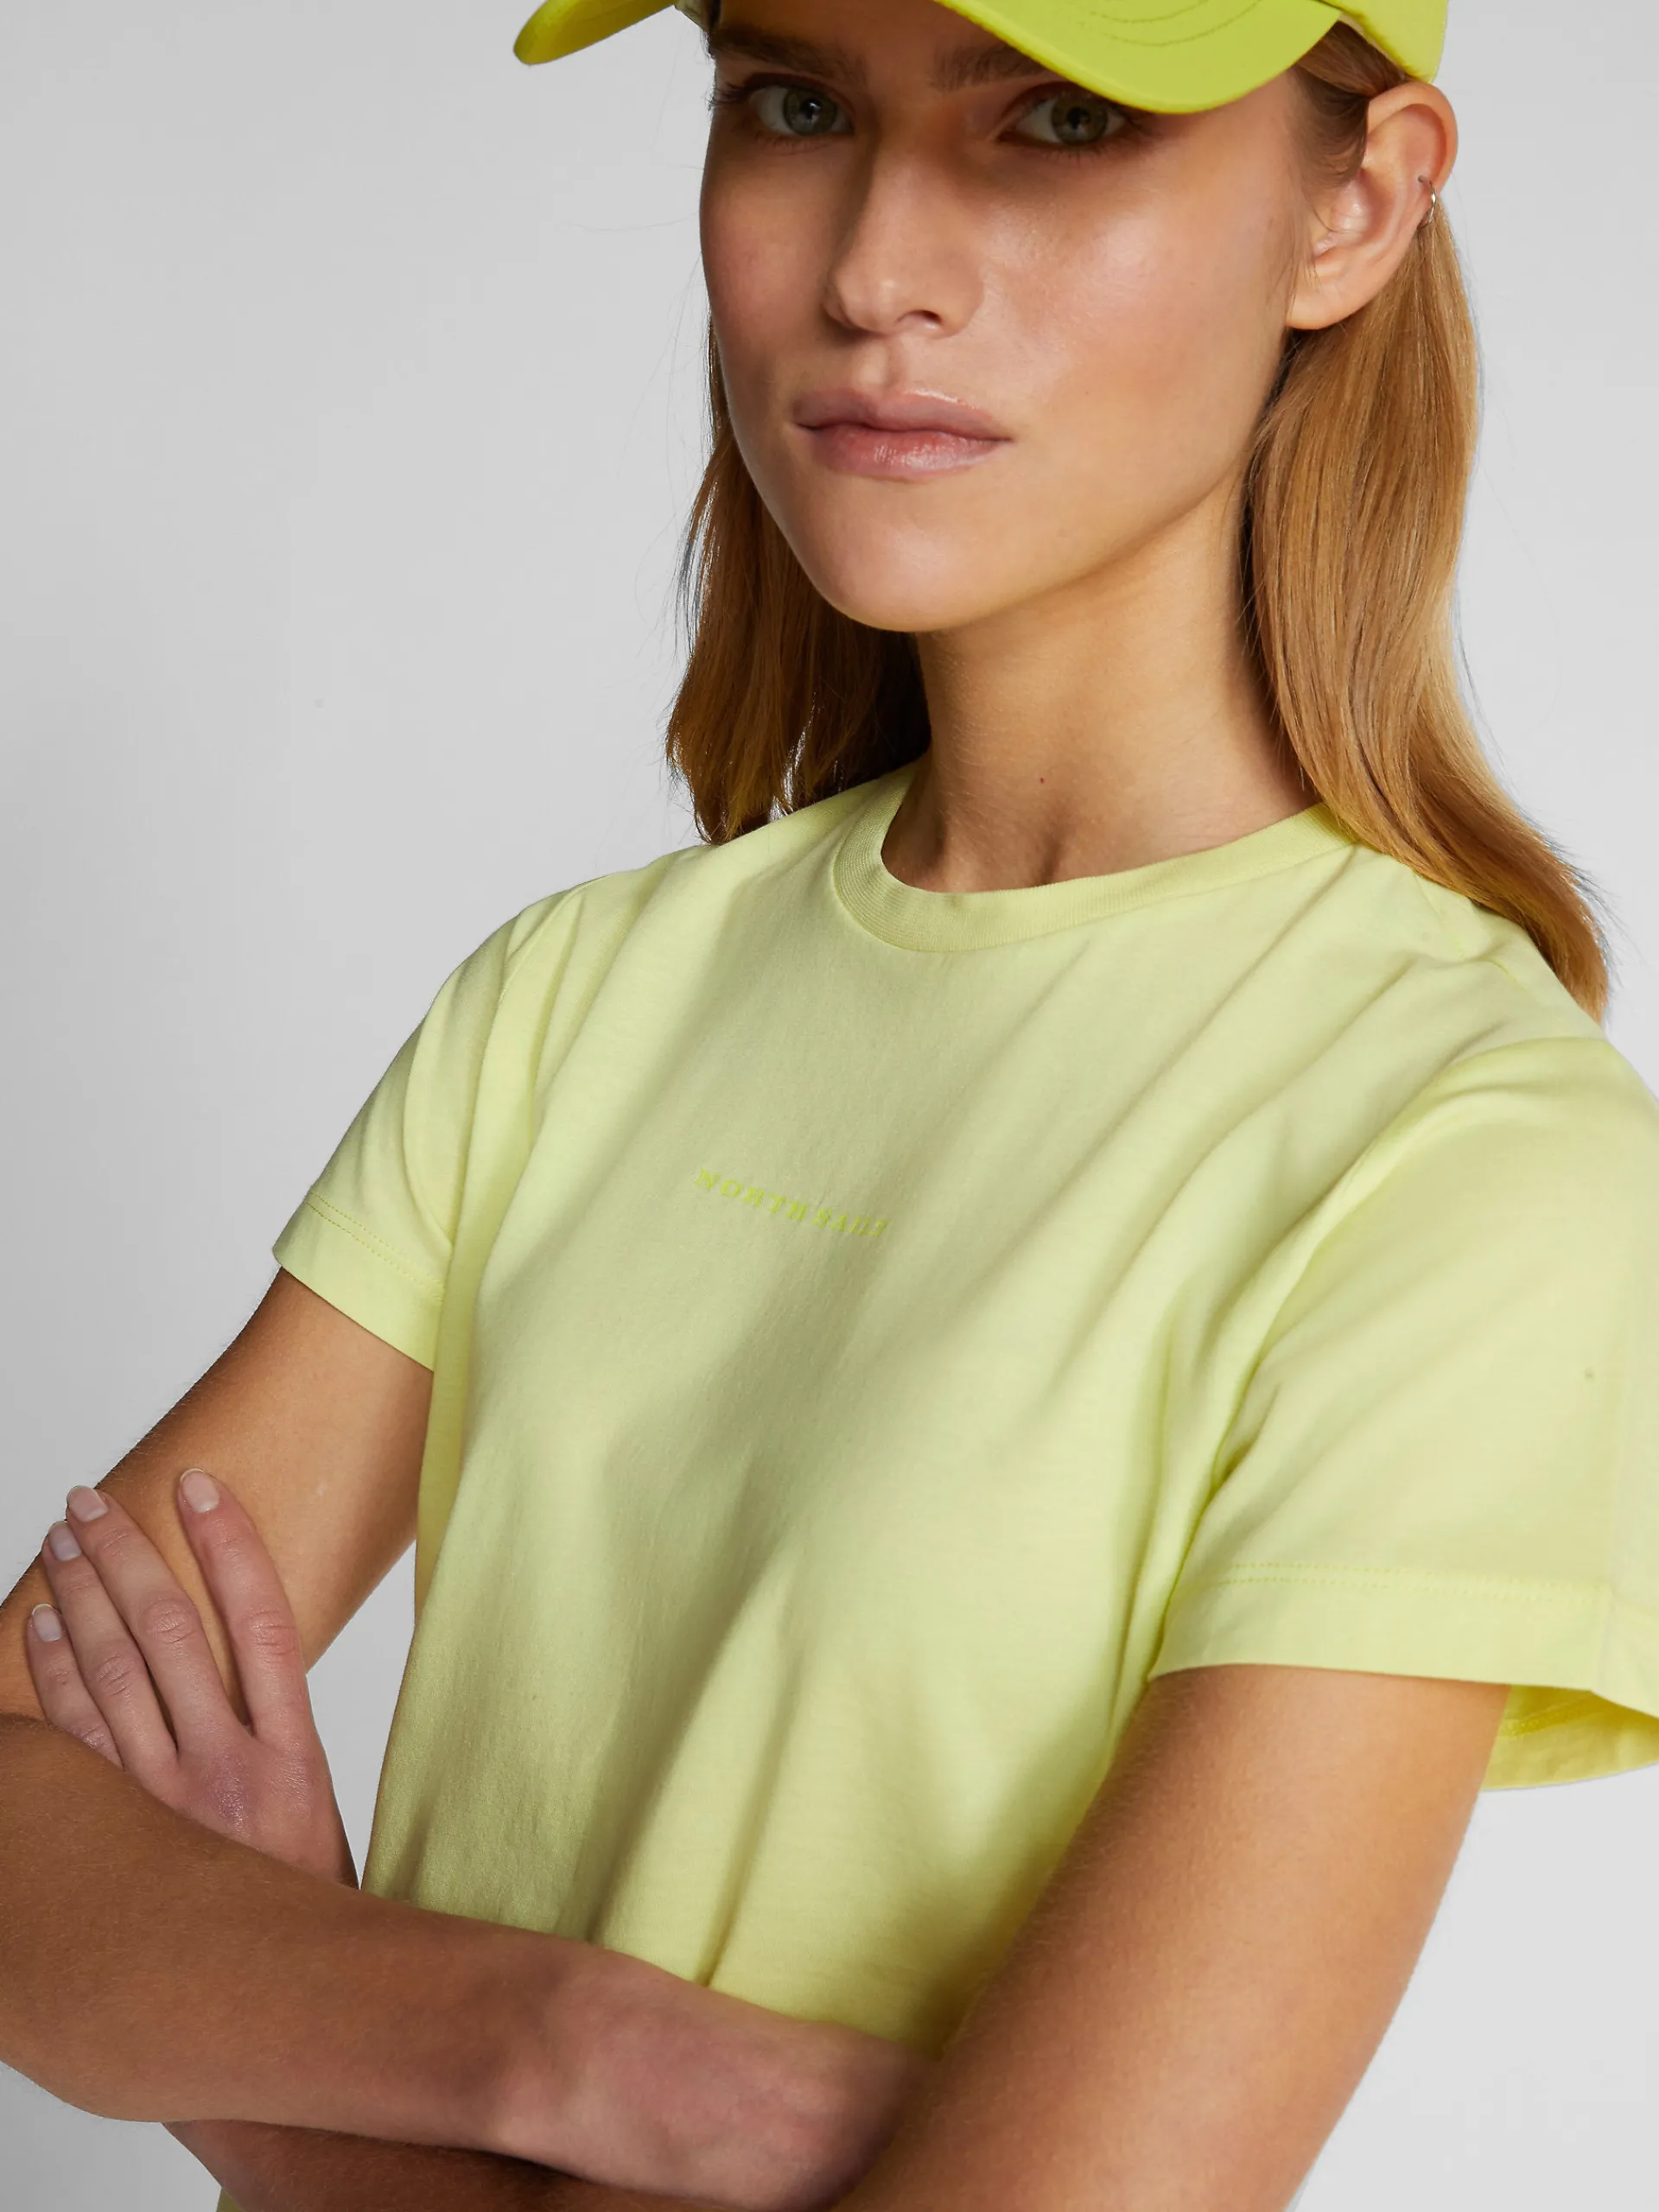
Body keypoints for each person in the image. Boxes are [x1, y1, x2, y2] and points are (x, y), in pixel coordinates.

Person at [3, 1, 1658, 2208]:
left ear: (1354, 207)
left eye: (1061, 120)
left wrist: (278, 2046)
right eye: (793, 103)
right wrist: (574, 2047)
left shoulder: (1461, 1155)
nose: (876, 267)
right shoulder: (578, 1002)